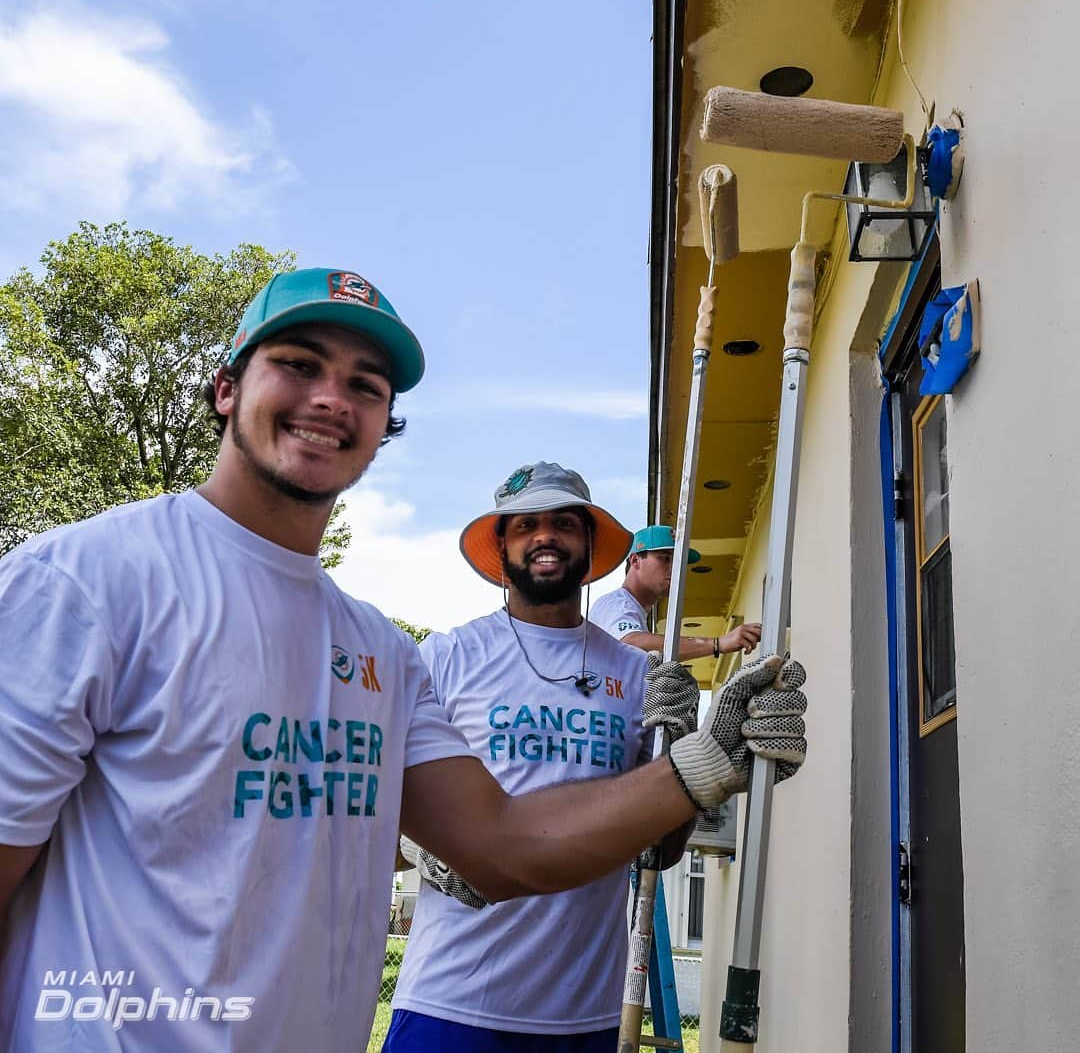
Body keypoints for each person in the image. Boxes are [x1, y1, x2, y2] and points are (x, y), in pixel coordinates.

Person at [0, 269, 809, 1051]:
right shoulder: (84, 582)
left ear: (383, 427)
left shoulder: (378, 650)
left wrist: (702, 762)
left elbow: (503, 846)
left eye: (365, 385)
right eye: (298, 364)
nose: (330, 398)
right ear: (226, 389)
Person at [384, 463, 700, 1052]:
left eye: (562, 523)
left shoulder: (638, 676)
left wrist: (680, 757)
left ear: (589, 542)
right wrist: (417, 845)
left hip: (581, 1016)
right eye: (526, 524)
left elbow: (664, 849)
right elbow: (376, 811)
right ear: (502, 544)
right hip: (448, 1002)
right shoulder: (448, 657)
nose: (545, 536)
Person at [590, 524, 762, 662]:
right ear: (635, 560)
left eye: (679, 561)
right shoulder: (615, 603)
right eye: (665, 558)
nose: (675, 568)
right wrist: (717, 644)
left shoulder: (635, 613)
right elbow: (630, 643)